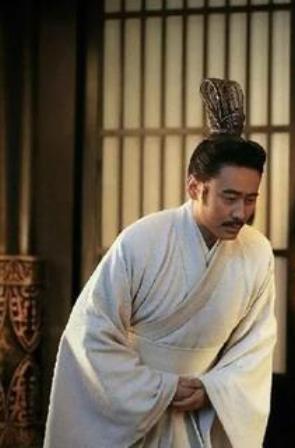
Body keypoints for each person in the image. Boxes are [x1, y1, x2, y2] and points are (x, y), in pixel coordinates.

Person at [44, 79, 276, 448]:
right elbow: (91, 332)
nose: (240, 212)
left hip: (201, 410)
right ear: (194, 187)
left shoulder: (257, 252)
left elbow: (255, 344)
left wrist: (213, 389)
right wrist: (159, 388)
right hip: (137, 408)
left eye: (250, 199)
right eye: (229, 197)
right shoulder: (142, 241)